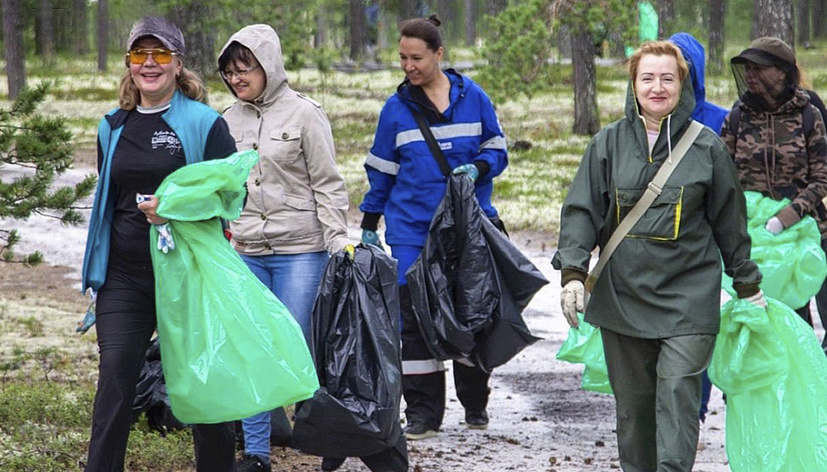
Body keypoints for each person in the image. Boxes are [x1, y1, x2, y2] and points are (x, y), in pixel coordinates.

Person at [555, 41, 764, 471]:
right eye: (647, 77)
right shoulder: (607, 144)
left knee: (677, 394)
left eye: (668, 78)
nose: (657, 87)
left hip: (689, 298)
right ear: (633, 85)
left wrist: (748, 286)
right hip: (624, 298)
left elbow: (730, 222)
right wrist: (573, 272)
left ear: (682, 84)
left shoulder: (707, 147)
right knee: (634, 410)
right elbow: (581, 211)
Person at [81, 16, 238, 472]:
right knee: (115, 379)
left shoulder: (206, 124)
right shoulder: (112, 126)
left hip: (188, 275)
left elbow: (232, 196)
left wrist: (176, 209)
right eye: (140, 54)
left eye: (160, 54)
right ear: (129, 63)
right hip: (125, 276)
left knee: (203, 386)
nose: (149, 63)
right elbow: (112, 200)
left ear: (178, 63)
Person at [359, 15, 508, 441]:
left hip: (466, 229)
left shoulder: (473, 97)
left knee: (470, 312)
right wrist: (369, 220)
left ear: (439, 54)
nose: (409, 66)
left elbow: (497, 149)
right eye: (402, 58)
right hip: (412, 231)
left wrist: (479, 168)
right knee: (412, 321)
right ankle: (423, 413)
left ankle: (475, 401)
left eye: (417, 58)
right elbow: (382, 171)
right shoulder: (395, 110)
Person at [217, 24, 354, 472]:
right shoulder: (226, 120)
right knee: (252, 347)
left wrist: (338, 240)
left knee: (297, 346)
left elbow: (327, 183)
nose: (237, 79)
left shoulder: (305, 114)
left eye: (245, 69)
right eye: (230, 72)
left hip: (302, 251)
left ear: (269, 66)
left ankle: (328, 433)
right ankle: (256, 452)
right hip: (248, 251)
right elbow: (221, 187)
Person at [721, 36, 827, 325]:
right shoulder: (737, 117)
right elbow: (722, 176)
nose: (750, 75)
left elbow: (821, 179)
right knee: (753, 314)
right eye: (747, 69)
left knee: (795, 317)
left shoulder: (808, 115)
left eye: (758, 68)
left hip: (799, 233)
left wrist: (785, 218)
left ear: (781, 72)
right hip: (750, 236)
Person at [668, 31, 730, 425]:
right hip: (656, 244)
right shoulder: (644, 120)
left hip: (704, 245)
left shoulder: (721, 121)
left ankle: (694, 408)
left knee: (697, 329)